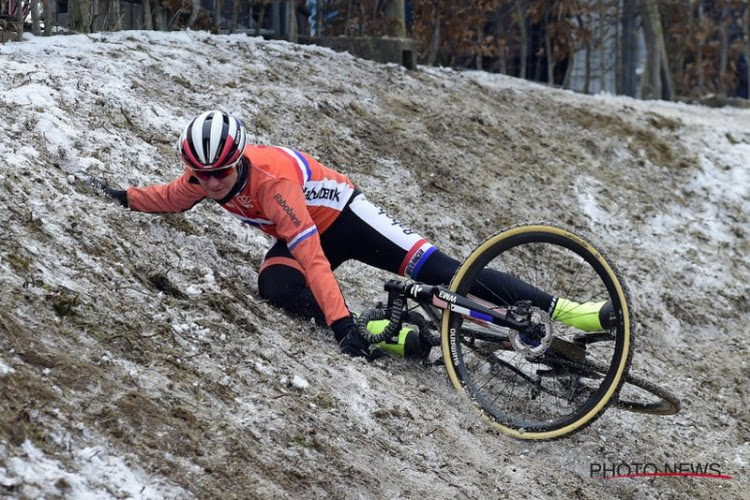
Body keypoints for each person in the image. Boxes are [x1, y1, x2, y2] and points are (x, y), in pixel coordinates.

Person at [92, 110, 611, 360]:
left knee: (448, 274)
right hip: (309, 235)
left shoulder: (273, 184)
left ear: (238, 160)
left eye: (220, 175)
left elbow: (313, 255)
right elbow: (172, 196)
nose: (210, 184)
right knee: (274, 286)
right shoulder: (204, 177)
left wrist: (336, 324)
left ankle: (569, 310)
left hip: (346, 219)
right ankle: (390, 336)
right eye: (201, 176)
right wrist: (123, 197)